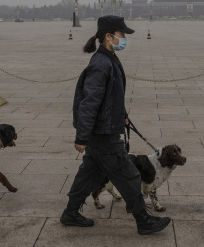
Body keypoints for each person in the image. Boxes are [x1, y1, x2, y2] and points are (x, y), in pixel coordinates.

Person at [60, 15, 171, 235]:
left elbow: (110, 97)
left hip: (104, 129)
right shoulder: (101, 64)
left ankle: (70, 212)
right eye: (121, 35)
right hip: (103, 134)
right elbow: (89, 103)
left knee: (89, 174)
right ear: (109, 37)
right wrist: (82, 137)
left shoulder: (108, 58)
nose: (124, 38)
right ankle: (143, 220)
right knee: (129, 175)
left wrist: (122, 115)